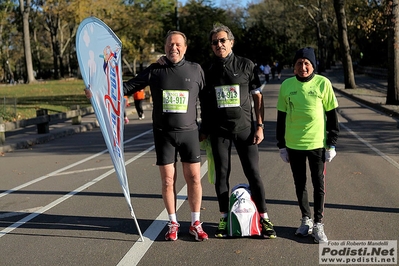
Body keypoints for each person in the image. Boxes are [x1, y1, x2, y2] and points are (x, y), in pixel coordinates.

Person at [86, 31, 208, 242]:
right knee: (168, 180)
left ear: (185, 48)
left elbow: (207, 99)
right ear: (165, 47)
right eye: (170, 44)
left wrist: (205, 127)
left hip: (189, 133)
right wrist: (96, 90)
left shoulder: (196, 70)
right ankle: (173, 222)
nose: (174, 48)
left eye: (178, 44)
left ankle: (196, 222)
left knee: (194, 178)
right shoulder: (156, 69)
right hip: (163, 135)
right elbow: (125, 88)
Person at [199, 24, 276, 239]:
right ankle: (224, 218)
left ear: (231, 42)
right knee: (222, 176)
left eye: (223, 40)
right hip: (219, 131)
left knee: (254, 174)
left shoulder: (246, 65)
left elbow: (258, 97)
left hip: (244, 129)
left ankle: (264, 217)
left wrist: (260, 126)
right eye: (215, 42)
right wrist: (203, 129)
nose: (219, 45)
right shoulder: (207, 69)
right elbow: (203, 101)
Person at [276, 47, 339, 243]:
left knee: (318, 184)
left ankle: (319, 223)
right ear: (294, 67)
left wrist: (332, 145)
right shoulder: (286, 85)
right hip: (294, 145)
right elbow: (281, 118)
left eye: (307, 63)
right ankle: (306, 219)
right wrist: (281, 145)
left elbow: (332, 117)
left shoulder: (323, 84)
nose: (303, 67)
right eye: (299, 63)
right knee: (300, 183)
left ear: (313, 66)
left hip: (317, 144)